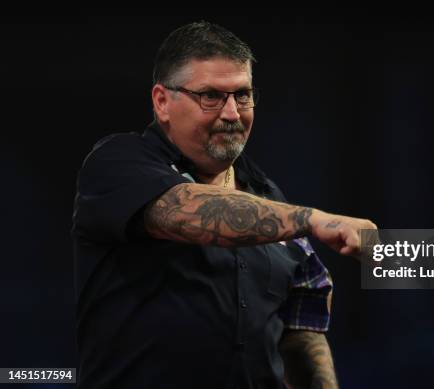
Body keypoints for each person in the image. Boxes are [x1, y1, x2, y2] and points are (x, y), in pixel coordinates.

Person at [72, 20, 376, 389]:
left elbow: (299, 327)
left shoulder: (269, 197)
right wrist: (315, 219)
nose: (232, 113)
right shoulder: (118, 163)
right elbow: (189, 208)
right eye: (211, 96)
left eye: (242, 95)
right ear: (162, 102)